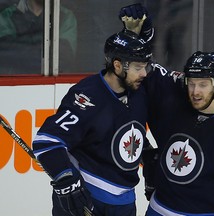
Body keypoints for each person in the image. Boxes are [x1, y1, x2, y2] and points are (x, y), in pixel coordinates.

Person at [31, 10, 154, 215]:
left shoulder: (138, 90)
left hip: (124, 203)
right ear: (117, 66)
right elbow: (47, 141)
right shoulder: (88, 96)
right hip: (87, 197)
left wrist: (148, 154)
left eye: (145, 67)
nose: (144, 73)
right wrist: (65, 179)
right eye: (138, 68)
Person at [142, 51, 214, 215]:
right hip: (159, 209)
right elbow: (145, 74)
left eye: (203, 85)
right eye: (191, 83)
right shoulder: (174, 102)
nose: (195, 92)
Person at [0, 0, 77, 74]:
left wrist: (22, 44)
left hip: (54, 86)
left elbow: (62, 58)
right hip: (15, 84)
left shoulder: (65, 16)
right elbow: (7, 55)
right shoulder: (6, 16)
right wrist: (47, 47)